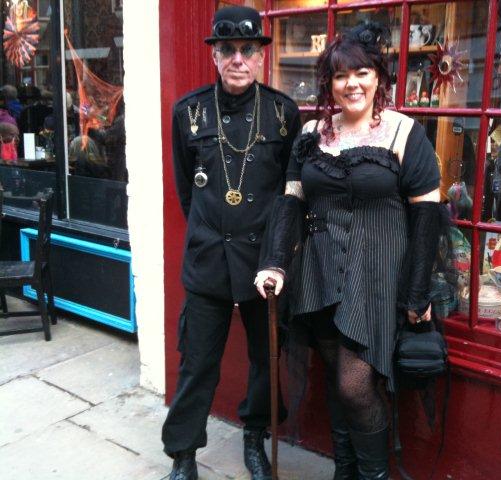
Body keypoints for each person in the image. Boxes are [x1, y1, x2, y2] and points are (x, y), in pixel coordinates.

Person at [255, 23, 445, 480]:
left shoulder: (404, 133)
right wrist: (276, 262)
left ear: (378, 77)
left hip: (377, 276)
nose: (351, 84)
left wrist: (416, 294)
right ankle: (346, 472)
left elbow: (425, 219)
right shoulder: (311, 133)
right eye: (341, 76)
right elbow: (290, 201)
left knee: (356, 385)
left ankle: (373, 476)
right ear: (329, 84)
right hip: (319, 272)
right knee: (336, 385)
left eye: (361, 72)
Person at [162, 6, 301, 480]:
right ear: (215, 57)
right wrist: (208, 232)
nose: (238, 59)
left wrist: (278, 256)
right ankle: (183, 456)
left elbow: (289, 193)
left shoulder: (284, 113)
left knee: (266, 360)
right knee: (197, 361)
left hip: (264, 260)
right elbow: (187, 190)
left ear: (261, 55)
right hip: (208, 259)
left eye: (247, 50)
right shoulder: (189, 111)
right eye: (227, 50)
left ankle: (254, 436)